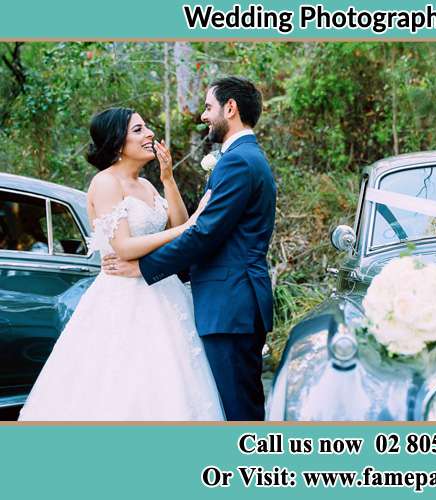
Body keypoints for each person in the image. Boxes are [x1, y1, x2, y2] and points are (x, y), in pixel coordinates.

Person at [18, 107, 223, 421]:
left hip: (163, 293)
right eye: (138, 130)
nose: (150, 134)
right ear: (117, 143)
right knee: (120, 382)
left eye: (146, 127)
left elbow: (180, 226)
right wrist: (185, 228)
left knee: (171, 379)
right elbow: (124, 247)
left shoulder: (147, 185)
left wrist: (168, 180)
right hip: (124, 296)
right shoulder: (105, 183)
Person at [103, 77, 277, 421]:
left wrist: (142, 269)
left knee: (238, 412)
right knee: (232, 405)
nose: (203, 116)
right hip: (229, 303)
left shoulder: (239, 161)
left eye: (209, 107)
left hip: (231, 305)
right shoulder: (242, 157)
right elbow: (202, 231)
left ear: (231, 109)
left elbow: (204, 233)